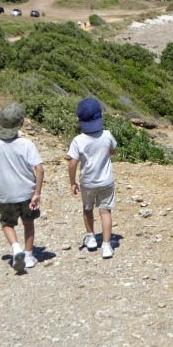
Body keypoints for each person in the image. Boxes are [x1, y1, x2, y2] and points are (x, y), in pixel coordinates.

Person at [0, 102, 44, 273]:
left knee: (7, 223)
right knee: (28, 222)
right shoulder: (26, 144)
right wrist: (37, 192)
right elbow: (39, 169)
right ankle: (29, 255)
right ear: (21, 124)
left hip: (6, 194)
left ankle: (16, 248)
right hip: (26, 192)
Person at [67, 97, 117, 259]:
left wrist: (72, 181)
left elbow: (72, 163)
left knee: (87, 209)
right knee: (105, 211)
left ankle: (91, 237)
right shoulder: (107, 135)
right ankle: (107, 245)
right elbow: (112, 151)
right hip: (106, 181)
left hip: (87, 182)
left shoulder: (78, 141)